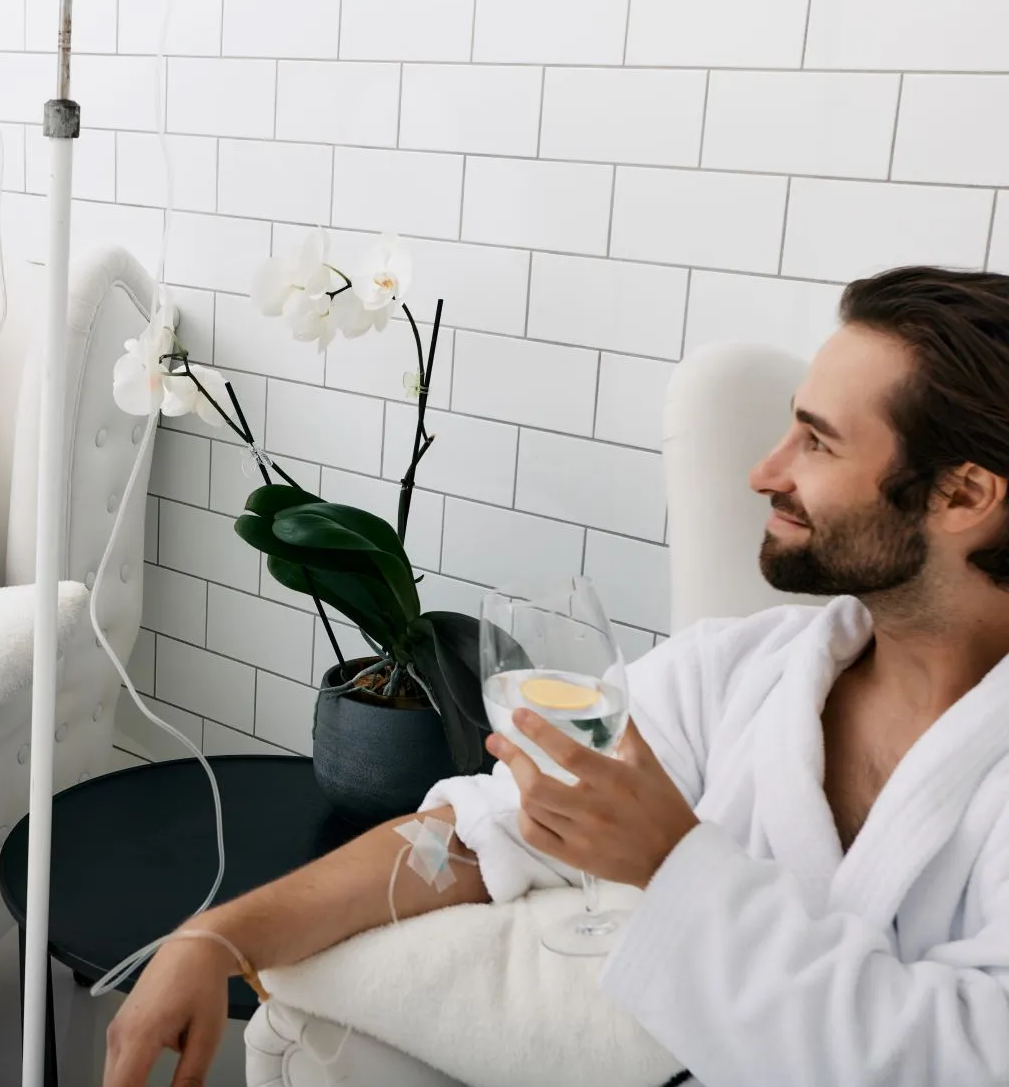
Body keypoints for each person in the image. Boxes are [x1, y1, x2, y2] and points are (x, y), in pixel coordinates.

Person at [105, 265, 1009, 1087]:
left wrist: (673, 865)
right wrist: (216, 936)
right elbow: (483, 832)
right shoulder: (743, 673)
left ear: (962, 495)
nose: (764, 471)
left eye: (817, 442)